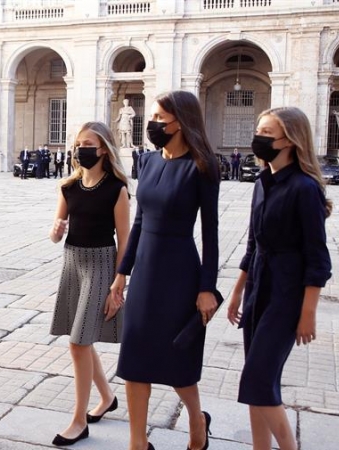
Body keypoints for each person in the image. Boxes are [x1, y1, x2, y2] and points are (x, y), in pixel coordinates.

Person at [113, 90, 220, 450]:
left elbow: (211, 234)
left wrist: (208, 288)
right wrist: (122, 273)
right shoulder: (147, 162)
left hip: (180, 273)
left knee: (179, 361)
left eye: (161, 118)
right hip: (145, 274)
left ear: (181, 121)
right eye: (153, 117)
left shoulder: (202, 166)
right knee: (135, 359)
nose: (153, 124)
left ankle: (195, 418)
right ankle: (137, 442)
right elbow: (140, 222)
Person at [227, 107, 332, 450]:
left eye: (268, 134)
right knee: (259, 382)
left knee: (258, 379)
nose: (259, 139)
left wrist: (308, 312)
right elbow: (253, 242)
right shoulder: (261, 183)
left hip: (287, 295)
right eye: (260, 131)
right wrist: (237, 291)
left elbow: (318, 258)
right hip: (258, 288)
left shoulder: (305, 189)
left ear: (290, 140)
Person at [48, 121, 131, 446]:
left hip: (101, 264)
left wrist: (118, 285)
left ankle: (79, 419)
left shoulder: (117, 189)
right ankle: (107, 398)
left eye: (89, 144)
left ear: (104, 150)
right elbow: (56, 232)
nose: (81, 149)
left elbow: (125, 241)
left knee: (78, 342)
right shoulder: (68, 186)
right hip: (72, 263)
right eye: (78, 143)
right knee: (82, 338)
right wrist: (55, 231)